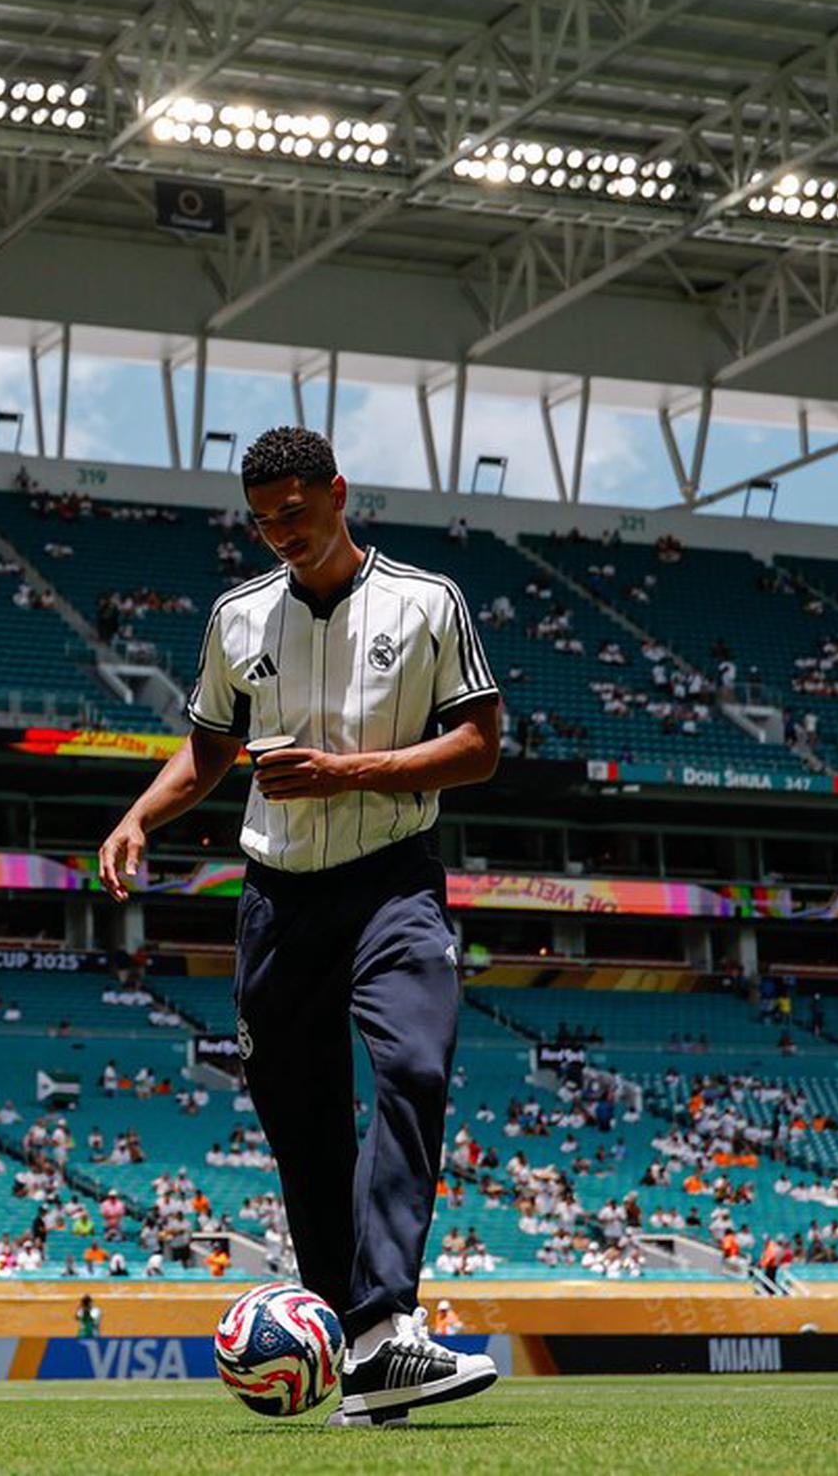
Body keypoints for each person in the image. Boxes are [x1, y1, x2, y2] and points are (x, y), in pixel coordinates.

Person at [98, 425, 500, 1427]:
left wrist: (347, 773)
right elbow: (208, 750)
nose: (281, 533)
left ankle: (390, 1320)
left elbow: (480, 746)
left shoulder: (428, 602)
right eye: (263, 521)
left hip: (394, 885)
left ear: (338, 494)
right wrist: (140, 816)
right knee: (305, 1130)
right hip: (278, 899)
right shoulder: (237, 617)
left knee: (414, 1067)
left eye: (295, 512)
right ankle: (366, 1360)